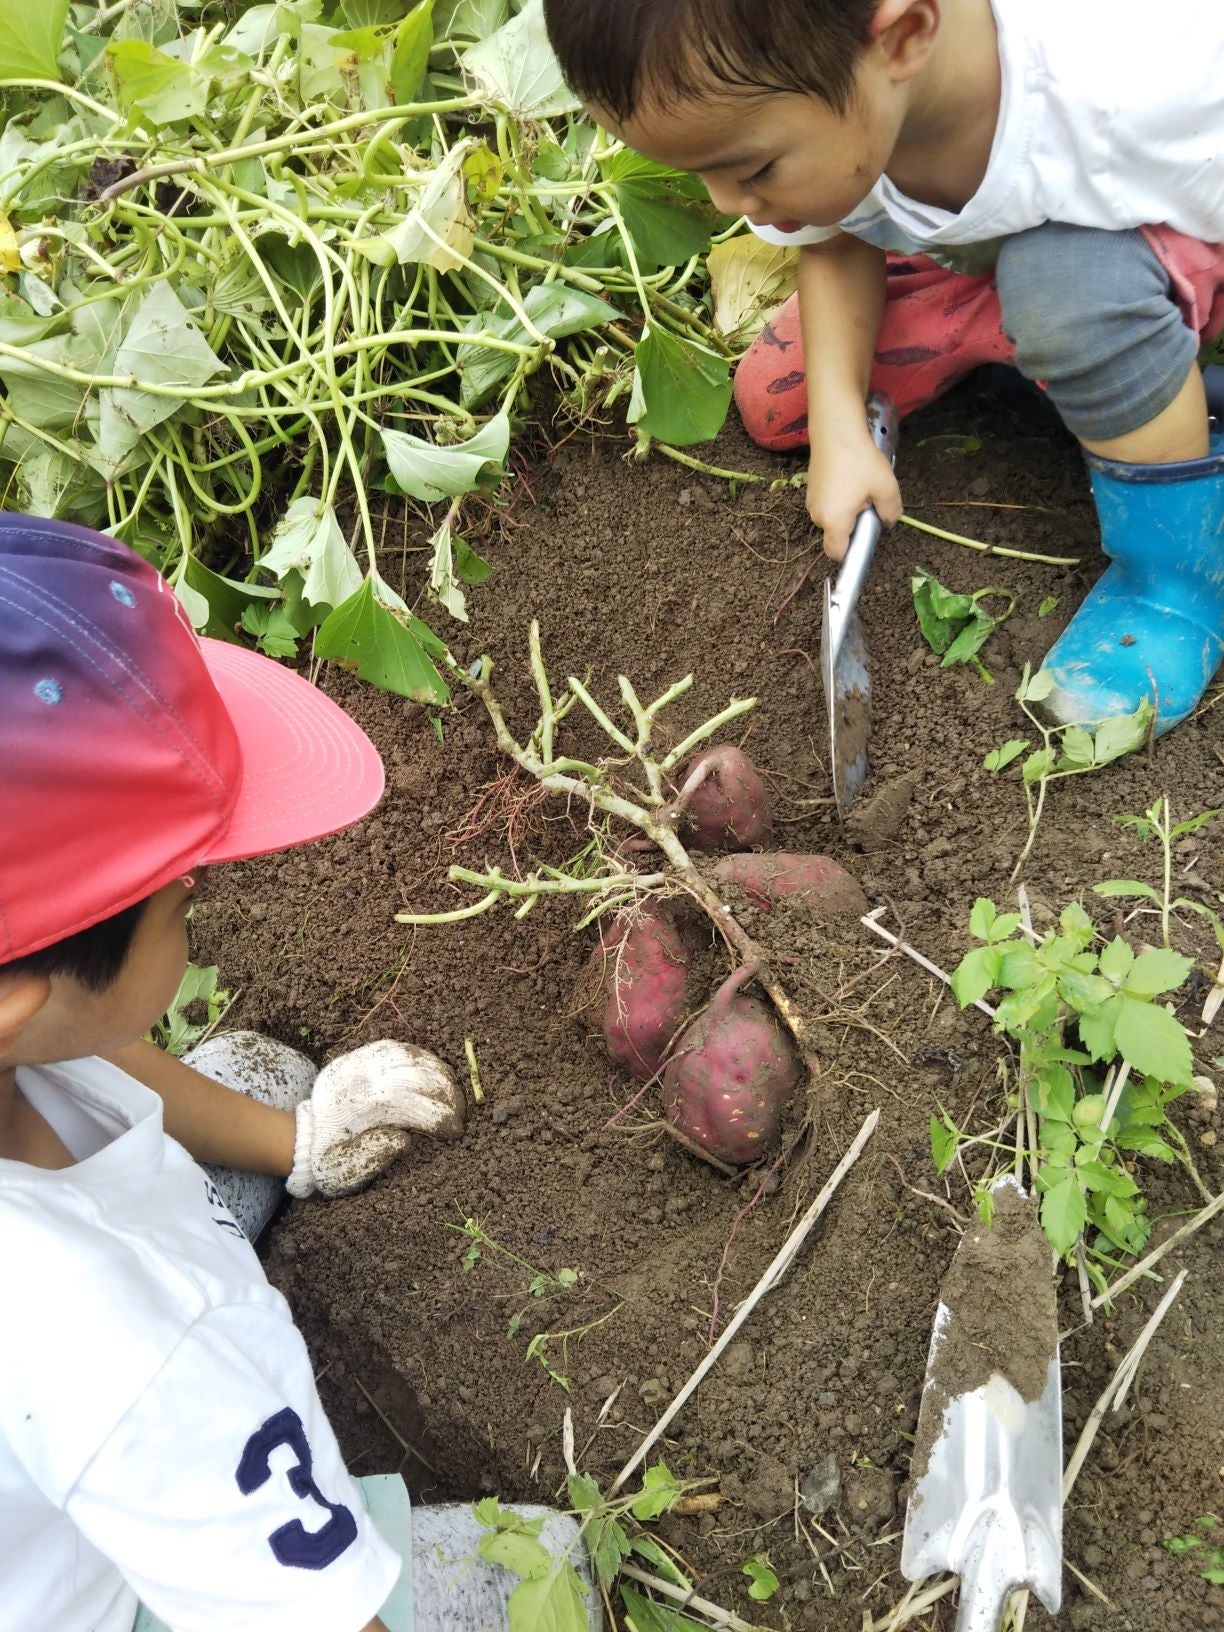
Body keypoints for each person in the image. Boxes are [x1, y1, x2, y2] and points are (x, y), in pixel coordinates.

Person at [0, 514, 467, 1632]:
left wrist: (296, 1141)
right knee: (525, 1568)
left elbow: (79, 1042)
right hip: (110, 1594)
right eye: (181, 893)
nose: (200, 890)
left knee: (255, 1073)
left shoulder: (28, 1037)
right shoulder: (126, 1352)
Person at [543, 0, 1224, 737]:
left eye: (754, 169)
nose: (728, 203)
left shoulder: (1150, 89)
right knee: (782, 395)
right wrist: (840, 428)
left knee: (1066, 295)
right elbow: (837, 243)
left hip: (1168, 232)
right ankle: (1055, 349)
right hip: (1005, 249)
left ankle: (1171, 583)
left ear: (903, 37)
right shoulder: (840, 77)